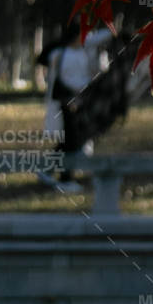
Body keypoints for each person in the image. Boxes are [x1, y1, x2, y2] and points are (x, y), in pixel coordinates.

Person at [36, 25, 118, 193]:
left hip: (81, 101)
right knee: (71, 140)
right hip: (69, 101)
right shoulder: (60, 54)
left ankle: (48, 169)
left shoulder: (82, 53)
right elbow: (63, 79)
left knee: (73, 140)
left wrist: (110, 29)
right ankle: (65, 178)